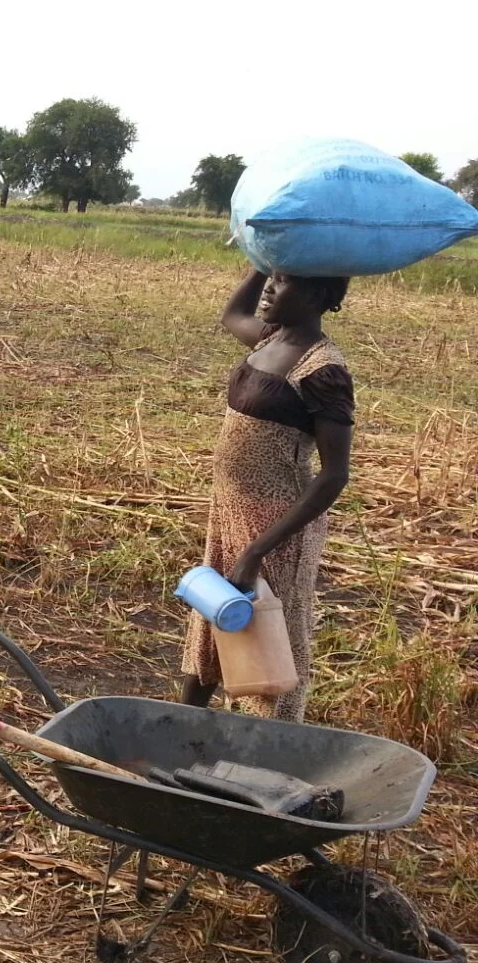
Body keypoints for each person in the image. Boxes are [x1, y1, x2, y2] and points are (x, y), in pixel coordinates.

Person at [180, 268, 355, 722]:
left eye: (285, 280)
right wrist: (263, 257)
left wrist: (258, 549)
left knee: (267, 644)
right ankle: (181, 732)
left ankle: (267, 751)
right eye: (272, 278)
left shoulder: (322, 369)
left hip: (276, 529)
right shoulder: (268, 339)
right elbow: (232, 313)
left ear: (318, 294)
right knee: (215, 617)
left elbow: (335, 474)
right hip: (230, 514)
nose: (271, 288)